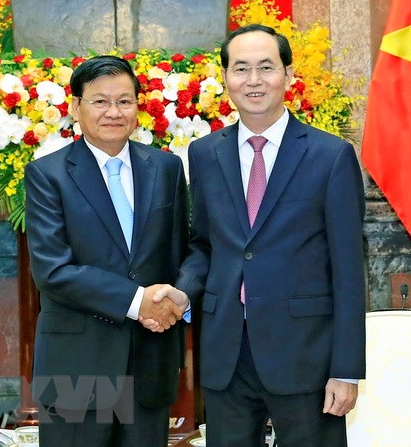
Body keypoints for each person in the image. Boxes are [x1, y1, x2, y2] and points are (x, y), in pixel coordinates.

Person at [149, 24, 366, 446]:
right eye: (241, 69)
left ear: (287, 74)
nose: (253, 80)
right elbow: (205, 245)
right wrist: (183, 292)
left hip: (306, 353)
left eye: (266, 68)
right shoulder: (206, 153)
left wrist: (345, 368)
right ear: (225, 78)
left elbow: (348, 268)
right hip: (226, 350)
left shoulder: (330, 155)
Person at [24, 55, 189, 447]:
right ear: (76, 107)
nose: (114, 112)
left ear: (138, 106)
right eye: (100, 101)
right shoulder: (48, 174)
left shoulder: (165, 168)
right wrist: (138, 301)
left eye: (124, 101)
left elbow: (185, 249)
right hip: (76, 369)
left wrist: (180, 296)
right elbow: (52, 270)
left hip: (151, 362)